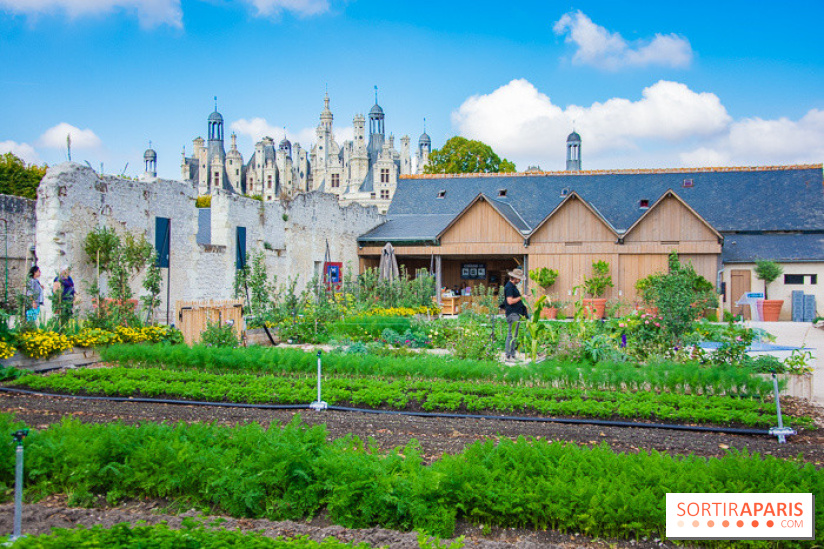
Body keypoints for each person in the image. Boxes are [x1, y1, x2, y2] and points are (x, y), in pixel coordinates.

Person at [503, 268, 528, 361]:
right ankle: (508, 356)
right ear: (515, 278)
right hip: (512, 314)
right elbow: (510, 301)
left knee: (514, 335)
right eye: (519, 279)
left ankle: (512, 355)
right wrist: (521, 297)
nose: (520, 280)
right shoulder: (509, 287)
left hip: (515, 313)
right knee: (511, 334)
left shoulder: (512, 286)